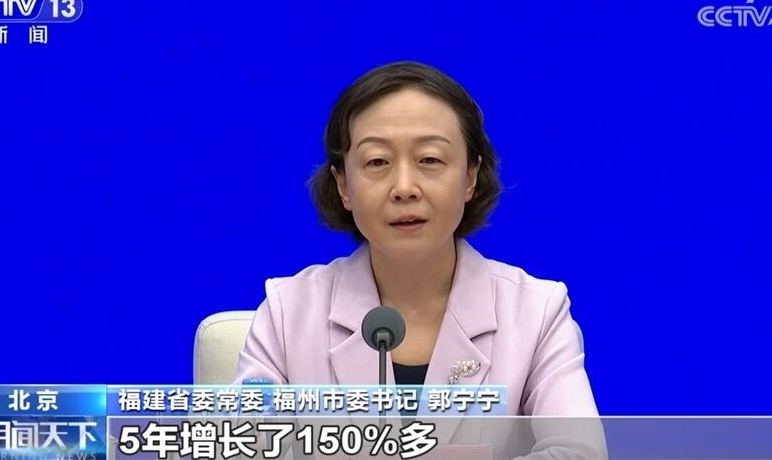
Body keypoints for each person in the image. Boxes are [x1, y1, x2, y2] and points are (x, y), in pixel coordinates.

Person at [234, 61, 605, 456]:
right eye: (377, 162)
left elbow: (580, 452)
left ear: (470, 176)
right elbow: (240, 447)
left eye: (429, 160)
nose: (404, 187)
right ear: (343, 184)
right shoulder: (288, 312)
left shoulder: (535, 312)